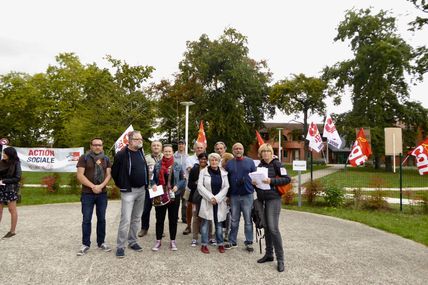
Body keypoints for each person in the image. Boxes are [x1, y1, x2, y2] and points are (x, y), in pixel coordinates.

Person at [253, 143, 290, 272]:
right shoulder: (260, 165)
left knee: (273, 228)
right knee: (266, 227)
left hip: (274, 198)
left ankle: (281, 259)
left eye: (267, 151)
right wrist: (254, 183)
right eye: (263, 152)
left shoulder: (277, 164)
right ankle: (269, 254)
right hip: (262, 198)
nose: (265, 154)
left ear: (271, 152)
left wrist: (272, 181)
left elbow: (287, 179)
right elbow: (258, 183)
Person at [111, 130, 149, 258]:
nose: (140, 141)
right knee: (125, 220)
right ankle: (120, 246)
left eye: (141, 139)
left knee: (136, 219)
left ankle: (132, 242)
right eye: (137, 139)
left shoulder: (140, 151)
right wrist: (121, 184)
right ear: (130, 140)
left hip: (142, 190)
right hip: (128, 191)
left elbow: (143, 169)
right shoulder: (121, 154)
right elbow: (114, 172)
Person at [76, 138, 112, 256]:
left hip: (102, 194)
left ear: (102, 146)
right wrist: (93, 186)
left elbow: (108, 175)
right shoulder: (84, 158)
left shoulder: (106, 159)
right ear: (91, 146)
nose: (97, 147)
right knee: (87, 219)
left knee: (101, 219)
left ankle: (101, 242)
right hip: (87, 194)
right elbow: (80, 175)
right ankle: (85, 244)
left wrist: (100, 186)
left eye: (100, 145)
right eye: (95, 145)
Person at [151, 144, 186, 251]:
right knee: (159, 219)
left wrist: (177, 186)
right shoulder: (157, 165)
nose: (167, 153)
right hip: (160, 195)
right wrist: (153, 184)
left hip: (173, 195)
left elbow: (183, 179)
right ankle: (158, 241)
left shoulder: (178, 165)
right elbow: (152, 179)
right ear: (163, 151)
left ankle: (173, 241)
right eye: (165, 151)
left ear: (172, 152)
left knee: (173, 219)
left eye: (169, 152)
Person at [224, 142, 256, 252]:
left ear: (243, 150)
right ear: (233, 150)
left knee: (248, 219)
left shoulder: (250, 162)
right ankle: (232, 241)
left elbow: (255, 177)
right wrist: (227, 196)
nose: (238, 150)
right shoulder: (229, 164)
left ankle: (249, 241)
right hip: (234, 195)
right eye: (236, 149)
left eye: (240, 148)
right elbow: (226, 180)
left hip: (247, 194)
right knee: (234, 220)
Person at [198, 153, 229, 254]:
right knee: (205, 224)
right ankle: (204, 244)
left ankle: (220, 244)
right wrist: (211, 197)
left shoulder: (224, 173)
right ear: (209, 161)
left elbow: (226, 187)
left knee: (219, 224)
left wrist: (217, 198)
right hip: (207, 201)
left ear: (219, 161)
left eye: (216, 160)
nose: (214, 162)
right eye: (212, 160)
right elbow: (200, 186)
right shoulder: (203, 172)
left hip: (219, 202)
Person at [138, 140, 163, 238]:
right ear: (151, 147)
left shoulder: (165, 158)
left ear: (161, 147)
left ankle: (160, 229)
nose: (156, 147)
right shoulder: (146, 158)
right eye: (154, 145)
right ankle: (144, 228)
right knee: (145, 210)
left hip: (160, 188)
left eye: (158, 145)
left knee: (159, 210)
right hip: (148, 188)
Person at [183, 141, 206, 235]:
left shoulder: (206, 158)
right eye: (198, 148)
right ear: (194, 149)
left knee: (201, 206)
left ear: (204, 148)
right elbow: (190, 169)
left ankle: (199, 226)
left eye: (201, 148)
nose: (199, 149)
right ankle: (188, 226)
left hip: (203, 188)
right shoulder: (189, 158)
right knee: (188, 207)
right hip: (190, 186)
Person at [187, 152, 208, 247]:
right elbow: (189, 184)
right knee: (195, 217)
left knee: (208, 217)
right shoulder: (194, 169)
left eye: (204, 159)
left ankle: (210, 236)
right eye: (201, 159)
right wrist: (197, 184)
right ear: (198, 160)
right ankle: (195, 238)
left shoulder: (210, 169)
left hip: (207, 197)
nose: (203, 160)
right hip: (196, 197)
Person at [0, 147, 21, 239]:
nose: (3, 154)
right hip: (0, 188)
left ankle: (12, 231)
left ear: (10, 154)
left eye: (4, 153)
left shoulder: (16, 163)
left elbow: (17, 178)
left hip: (10, 189)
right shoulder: (1, 162)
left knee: (12, 210)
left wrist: (4, 181)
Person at [174, 140, 190, 233]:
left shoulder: (188, 157)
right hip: (176, 182)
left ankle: (184, 217)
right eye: (179, 144)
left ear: (185, 146)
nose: (181, 145)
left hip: (185, 182)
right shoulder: (173, 156)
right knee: (175, 200)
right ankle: (175, 217)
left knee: (185, 201)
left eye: (182, 144)